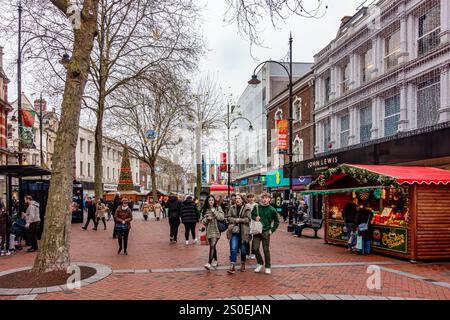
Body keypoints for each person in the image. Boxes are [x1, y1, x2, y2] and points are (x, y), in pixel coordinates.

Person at [251, 192, 279, 274]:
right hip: (257, 230)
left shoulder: (272, 209)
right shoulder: (257, 207)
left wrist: (272, 230)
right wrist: (255, 217)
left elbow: (277, 221)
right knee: (255, 248)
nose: (264, 199)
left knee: (266, 250)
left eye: (266, 198)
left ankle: (267, 266)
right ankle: (260, 263)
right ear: (261, 199)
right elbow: (252, 215)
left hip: (266, 231)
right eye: (263, 198)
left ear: (269, 199)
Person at [226, 194, 252, 274]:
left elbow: (248, 219)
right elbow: (228, 217)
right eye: (236, 198)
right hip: (234, 230)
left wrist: (239, 220)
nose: (237, 200)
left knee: (243, 249)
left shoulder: (247, 208)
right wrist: (235, 220)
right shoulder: (232, 207)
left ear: (242, 199)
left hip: (244, 231)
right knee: (233, 248)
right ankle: (232, 265)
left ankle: (243, 263)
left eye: (239, 198)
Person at [201, 195, 225, 270]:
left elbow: (221, 217)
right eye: (209, 200)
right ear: (207, 201)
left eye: (212, 200)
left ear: (214, 201)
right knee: (213, 246)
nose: (211, 201)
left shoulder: (218, 208)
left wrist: (214, 210)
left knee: (212, 245)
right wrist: (207, 219)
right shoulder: (205, 209)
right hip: (209, 230)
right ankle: (216, 260)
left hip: (216, 229)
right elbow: (203, 221)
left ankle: (209, 263)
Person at [245, 193, 258, 260]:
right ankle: (247, 253)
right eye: (249, 197)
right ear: (247, 198)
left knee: (254, 239)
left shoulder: (257, 205)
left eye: (252, 197)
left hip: (255, 224)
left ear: (254, 198)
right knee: (247, 239)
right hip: (247, 224)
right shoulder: (246, 205)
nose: (251, 199)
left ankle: (253, 253)